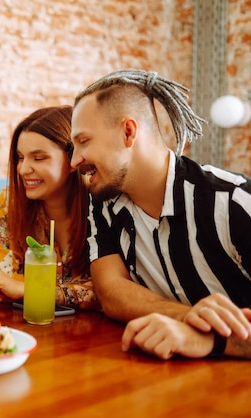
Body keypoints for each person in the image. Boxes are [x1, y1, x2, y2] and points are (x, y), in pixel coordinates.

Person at [69, 69, 251, 359]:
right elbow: (111, 290)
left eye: (84, 141)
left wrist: (210, 340)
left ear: (128, 132)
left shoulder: (232, 201)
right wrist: (189, 319)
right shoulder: (104, 203)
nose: (74, 160)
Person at [0, 106, 98, 310]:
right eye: (20, 157)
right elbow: (3, 283)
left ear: (73, 160)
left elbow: (106, 292)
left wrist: (29, 289)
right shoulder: (8, 202)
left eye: (39, 158)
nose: (23, 169)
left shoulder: (100, 205)